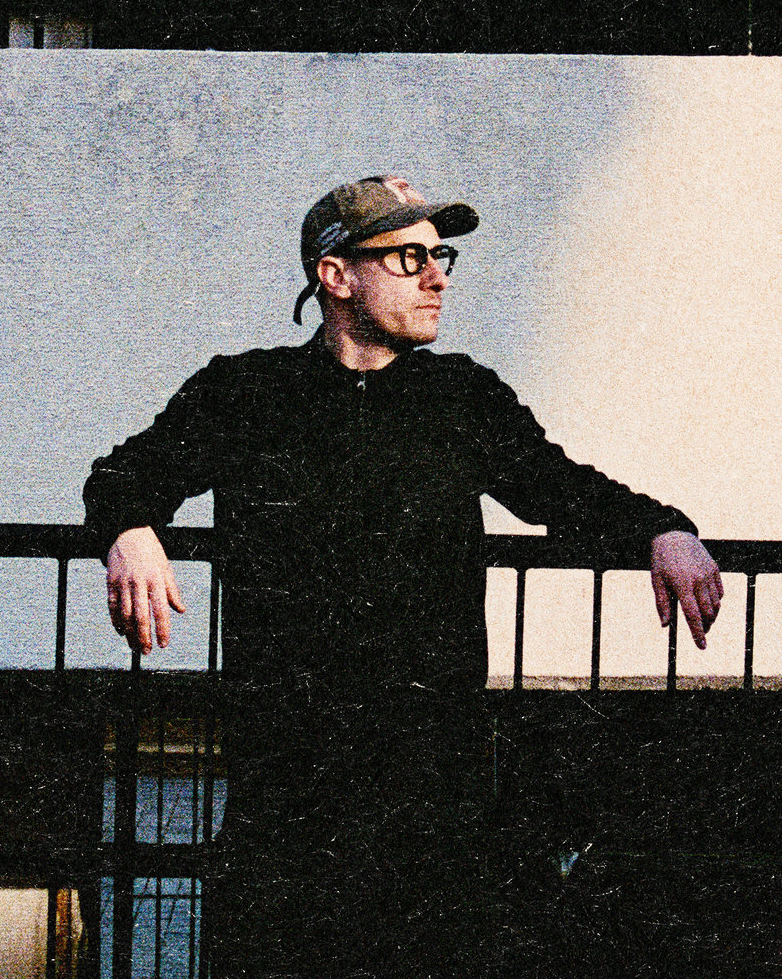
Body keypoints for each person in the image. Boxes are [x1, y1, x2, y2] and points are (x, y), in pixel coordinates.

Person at [83, 174, 722, 978]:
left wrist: (664, 528)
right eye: (409, 257)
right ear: (336, 276)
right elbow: (124, 473)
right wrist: (129, 529)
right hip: (290, 791)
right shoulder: (246, 392)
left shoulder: (461, 398)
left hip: (432, 791)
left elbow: (561, 488)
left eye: (440, 256)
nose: (437, 278)